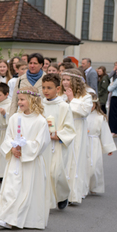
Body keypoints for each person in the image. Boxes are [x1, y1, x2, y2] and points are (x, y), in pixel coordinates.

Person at [0, 85, 51, 230]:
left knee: (27, 190)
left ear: (32, 100)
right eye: (18, 99)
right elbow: (8, 137)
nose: (19, 102)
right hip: (15, 161)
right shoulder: (14, 118)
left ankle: (26, 220)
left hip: (30, 163)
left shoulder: (40, 121)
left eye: (22, 99)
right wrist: (12, 148)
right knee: (11, 188)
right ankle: (6, 217)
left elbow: (41, 143)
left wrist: (24, 148)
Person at [41, 73, 75, 211]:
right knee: (44, 173)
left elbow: (70, 128)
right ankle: (45, 201)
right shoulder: (40, 104)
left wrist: (59, 135)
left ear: (58, 88)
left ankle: (62, 195)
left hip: (58, 145)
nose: (45, 91)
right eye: (43, 87)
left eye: (49, 88)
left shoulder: (64, 106)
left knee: (56, 173)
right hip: (44, 144)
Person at [62, 71, 93, 205]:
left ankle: (72, 194)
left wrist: (72, 99)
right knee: (63, 160)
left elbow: (85, 111)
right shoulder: (60, 95)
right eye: (63, 79)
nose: (65, 82)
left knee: (74, 160)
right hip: (63, 129)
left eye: (68, 79)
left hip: (77, 129)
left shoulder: (86, 96)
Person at [86, 99, 117, 195]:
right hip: (83, 142)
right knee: (84, 166)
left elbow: (105, 132)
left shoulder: (100, 117)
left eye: (92, 104)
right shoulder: (81, 115)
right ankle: (83, 188)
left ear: (96, 105)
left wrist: (108, 148)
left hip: (94, 143)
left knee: (95, 167)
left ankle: (94, 186)